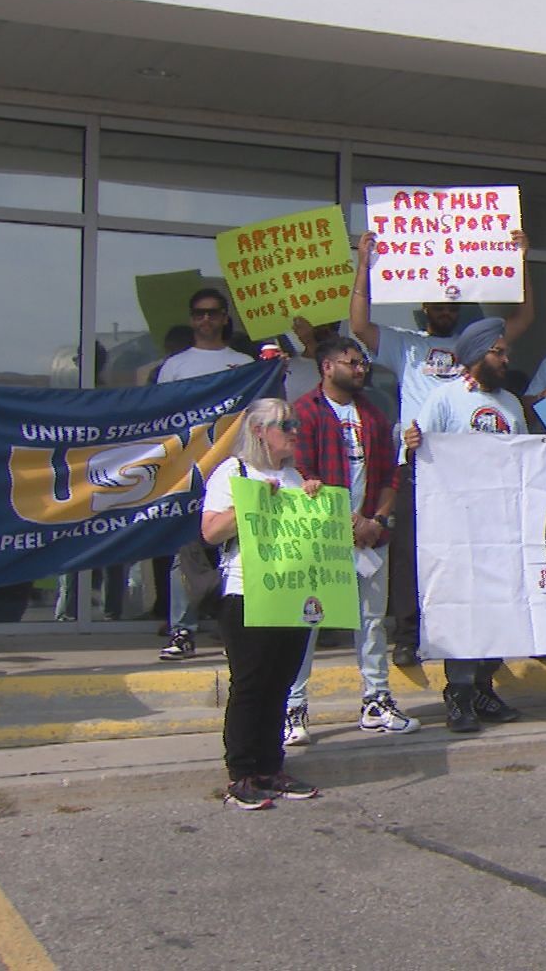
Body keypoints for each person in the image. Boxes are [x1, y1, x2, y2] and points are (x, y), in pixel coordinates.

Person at [349, 229, 535, 668]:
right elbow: (358, 326)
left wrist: (520, 260)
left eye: (452, 304)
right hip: (420, 463)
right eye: (438, 304)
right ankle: (410, 634)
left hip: (476, 469)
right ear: (424, 307)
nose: (445, 310)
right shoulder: (404, 344)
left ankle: (486, 641)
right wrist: (364, 264)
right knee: (413, 552)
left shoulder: (483, 347)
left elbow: (524, 318)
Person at [402, 317, 546, 732]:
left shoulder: (509, 404)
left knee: (499, 608)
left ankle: (486, 688)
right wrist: (413, 445)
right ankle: (459, 694)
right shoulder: (444, 399)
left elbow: (523, 460)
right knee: (463, 612)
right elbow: (421, 457)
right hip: (457, 529)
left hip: (502, 528)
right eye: (498, 352)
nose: (506, 359)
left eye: (505, 352)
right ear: (476, 357)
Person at [282, 336, 419, 745]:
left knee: (372, 621)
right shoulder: (303, 413)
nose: (361, 369)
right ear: (327, 366)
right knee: (306, 622)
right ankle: (293, 708)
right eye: (352, 362)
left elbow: (391, 474)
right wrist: (344, 521)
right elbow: (300, 473)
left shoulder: (374, 417)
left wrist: (375, 519)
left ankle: (376, 701)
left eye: (363, 363)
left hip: (370, 538)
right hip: (320, 539)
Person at [201, 398, 323, 809]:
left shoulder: (292, 475)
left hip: (289, 594)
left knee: (280, 683)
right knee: (250, 685)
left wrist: (312, 500)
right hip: (246, 591)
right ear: (258, 430)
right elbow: (211, 532)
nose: (294, 431)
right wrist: (249, 505)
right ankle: (241, 773)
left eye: (294, 424)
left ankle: (272, 766)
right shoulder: (233, 473)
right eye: (284, 424)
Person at [157, 288, 255, 660]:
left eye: (213, 313)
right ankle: (183, 629)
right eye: (199, 313)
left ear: (225, 316)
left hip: (234, 469)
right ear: (191, 318)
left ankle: (235, 624)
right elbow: (159, 417)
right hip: (187, 469)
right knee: (186, 550)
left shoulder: (244, 363)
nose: (206, 320)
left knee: (236, 550)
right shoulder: (175, 365)